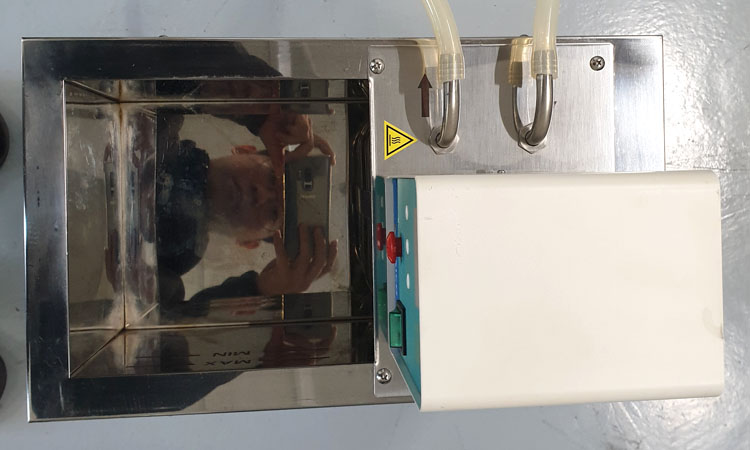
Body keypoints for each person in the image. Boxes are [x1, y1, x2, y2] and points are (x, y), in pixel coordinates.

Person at [155, 109, 337, 317]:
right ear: (243, 150)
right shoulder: (164, 125)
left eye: (273, 213)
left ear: (248, 242)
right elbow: (159, 94)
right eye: (271, 177)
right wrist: (259, 113)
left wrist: (261, 289)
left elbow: (164, 321)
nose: (260, 195)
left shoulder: (180, 260)